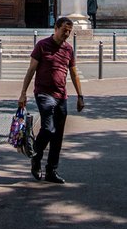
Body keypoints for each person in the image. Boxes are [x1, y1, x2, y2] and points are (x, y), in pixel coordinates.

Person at [18, 16, 85, 184]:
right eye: (64, 30)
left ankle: (51, 170)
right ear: (56, 28)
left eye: (69, 31)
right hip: (43, 93)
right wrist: (23, 93)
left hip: (61, 95)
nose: (67, 34)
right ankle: (36, 157)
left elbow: (74, 73)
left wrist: (80, 96)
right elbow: (31, 70)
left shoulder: (69, 49)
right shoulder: (42, 45)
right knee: (48, 128)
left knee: (58, 136)